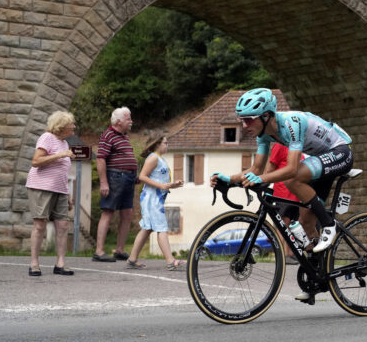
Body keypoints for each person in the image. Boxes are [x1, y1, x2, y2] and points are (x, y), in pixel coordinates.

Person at [210, 88, 354, 302]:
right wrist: (229, 179)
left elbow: (292, 168)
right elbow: (257, 169)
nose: (244, 126)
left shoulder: (291, 122)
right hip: (320, 160)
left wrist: (264, 179)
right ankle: (317, 278)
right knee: (305, 222)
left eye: (248, 120)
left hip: (340, 152)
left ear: (266, 116)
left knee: (292, 179)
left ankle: (330, 225)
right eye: (242, 120)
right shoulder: (264, 135)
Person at [25, 111, 77, 277]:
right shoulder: (47, 138)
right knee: (40, 225)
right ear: (62, 126)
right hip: (42, 187)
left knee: (63, 225)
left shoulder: (64, 143)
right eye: (72, 124)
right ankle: (34, 264)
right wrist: (60, 155)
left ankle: (60, 263)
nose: (74, 127)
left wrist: (67, 195)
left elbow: (62, 172)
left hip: (60, 190)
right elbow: (36, 161)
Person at [126, 134, 185, 271]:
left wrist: (172, 185)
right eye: (165, 142)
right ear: (157, 144)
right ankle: (170, 261)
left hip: (155, 198)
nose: (167, 145)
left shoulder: (160, 159)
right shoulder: (153, 158)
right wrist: (161, 186)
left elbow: (160, 181)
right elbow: (142, 176)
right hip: (151, 199)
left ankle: (132, 259)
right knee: (161, 228)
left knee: (148, 228)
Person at [93, 107, 137, 263]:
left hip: (128, 178)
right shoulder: (108, 135)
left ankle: (120, 250)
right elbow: (100, 159)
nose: (131, 121)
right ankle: (99, 251)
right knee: (108, 212)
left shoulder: (124, 136)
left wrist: (134, 175)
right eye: (128, 119)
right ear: (118, 121)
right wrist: (104, 182)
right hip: (115, 177)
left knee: (127, 214)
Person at [265, 142, 306, 263]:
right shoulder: (279, 144)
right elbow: (270, 168)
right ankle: (283, 254)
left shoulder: (296, 144)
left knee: (291, 225)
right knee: (283, 223)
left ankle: (289, 253)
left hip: (295, 193)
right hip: (282, 192)